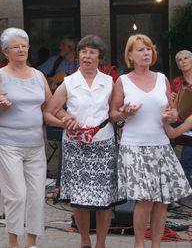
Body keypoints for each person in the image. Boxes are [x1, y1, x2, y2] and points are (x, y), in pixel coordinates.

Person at [110, 34, 192, 248]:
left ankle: (156, 245)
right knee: (144, 200)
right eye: (140, 49)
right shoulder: (123, 81)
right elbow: (112, 114)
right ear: (130, 55)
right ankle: (139, 244)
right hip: (134, 147)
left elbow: (172, 111)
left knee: (161, 201)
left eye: (148, 48)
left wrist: (172, 116)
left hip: (161, 145)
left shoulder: (162, 78)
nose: (145, 52)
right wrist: (124, 114)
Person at [0, 28, 51, 248]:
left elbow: (50, 106)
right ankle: (13, 243)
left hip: (36, 143)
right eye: (15, 46)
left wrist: (66, 118)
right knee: (16, 195)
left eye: (24, 45)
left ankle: (32, 243)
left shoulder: (39, 76)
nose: (21, 49)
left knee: (37, 195)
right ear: (5, 51)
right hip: (8, 143)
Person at [44, 35, 120, 248]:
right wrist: (64, 122)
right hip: (75, 145)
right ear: (78, 55)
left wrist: (124, 113)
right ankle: (85, 241)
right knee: (79, 198)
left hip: (103, 144)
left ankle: (101, 243)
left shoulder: (109, 82)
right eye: (83, 51)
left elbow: (114, 113)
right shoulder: (68, 82)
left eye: (92, 52)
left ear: (99, 57)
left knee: (105, 199)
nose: (87, 56)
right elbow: (49, 112)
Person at [169, 50, 192, 185]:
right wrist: (171, 98)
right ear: (178, 65)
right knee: (184, 160)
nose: (183, 61)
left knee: (186, 159)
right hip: (181, 125)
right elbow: (172, 107)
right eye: (180, 60)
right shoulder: (176, 82)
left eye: (186, 58)